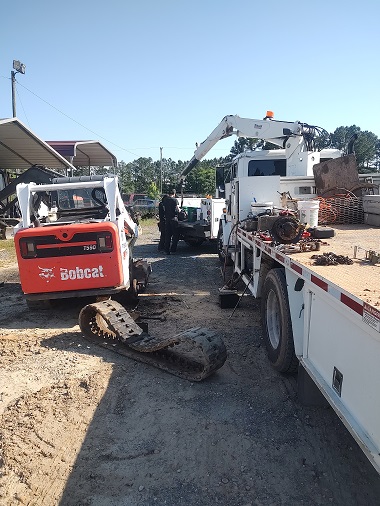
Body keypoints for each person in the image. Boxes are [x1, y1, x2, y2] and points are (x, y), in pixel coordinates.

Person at [164, 189, 179, 255]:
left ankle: (166, 250)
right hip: (173, 219)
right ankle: (173, 250)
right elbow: (178, 209)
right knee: (175, 235)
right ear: (174, 194)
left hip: (167, 219)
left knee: (168, 235)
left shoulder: (165, 200)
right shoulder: (175, 200)